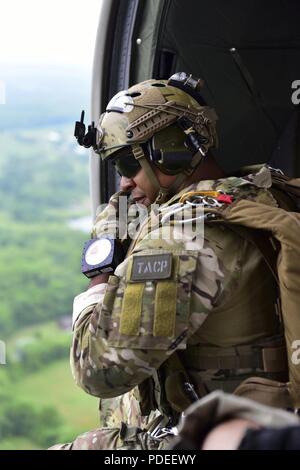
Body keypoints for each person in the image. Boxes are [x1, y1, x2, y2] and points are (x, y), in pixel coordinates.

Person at [51, 72, 291, 450]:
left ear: (169, 149)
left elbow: (98, 370)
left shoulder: (180, 240)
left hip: (211, 435)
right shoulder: (265, 193)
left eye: (126, 166)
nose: (124, 184)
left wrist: (100, 272)